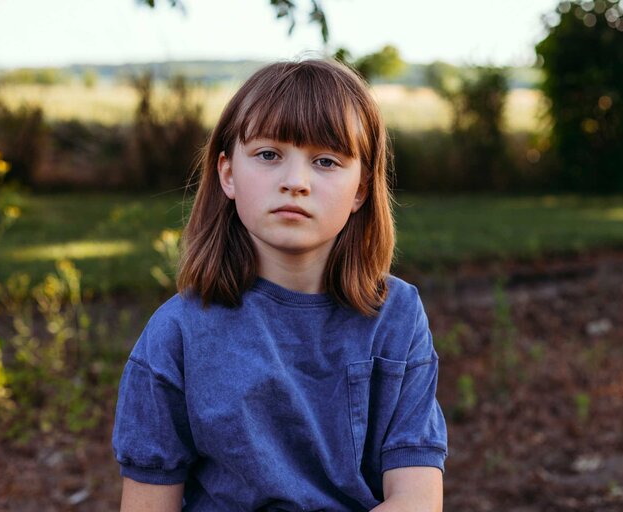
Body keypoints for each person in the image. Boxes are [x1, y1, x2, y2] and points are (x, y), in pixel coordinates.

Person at [112, 58, 448, 512]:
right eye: (269, 155)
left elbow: (417, 500)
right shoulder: (176, 334)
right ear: (228, 173)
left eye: (326, 161)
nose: (296, 183)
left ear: (360, 190)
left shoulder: (397, 317)